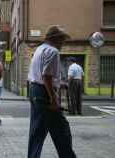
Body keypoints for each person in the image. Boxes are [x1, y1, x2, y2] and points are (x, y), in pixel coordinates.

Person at [27, 25, 77, 158]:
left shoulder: (40, 49)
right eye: (62, 40)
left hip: (34, 90)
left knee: (37, 131)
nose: (63, 44)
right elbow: (46, 77)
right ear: (57, 39)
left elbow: (40, 75)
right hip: (44, 93)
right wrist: (54, 100)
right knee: (62, 129)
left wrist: (59, 83)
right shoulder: (53, 51)